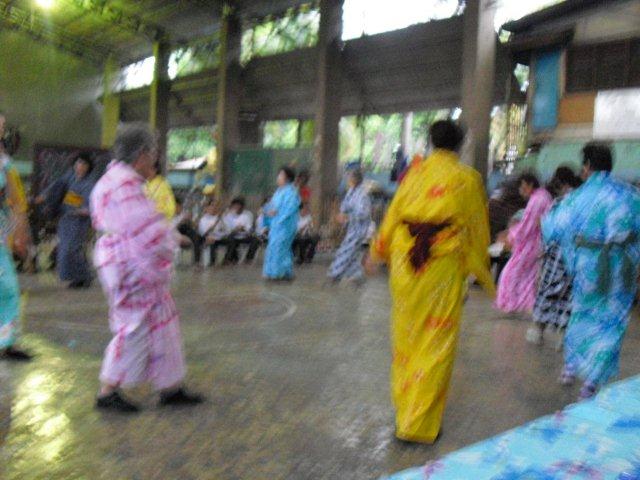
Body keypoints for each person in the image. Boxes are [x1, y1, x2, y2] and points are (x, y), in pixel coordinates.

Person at [366, 120, 494, 443]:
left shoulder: (414, 174)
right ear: (461, 144)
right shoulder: (467, 179)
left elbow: (393, 216)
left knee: (406, 339)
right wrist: (481, 269)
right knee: (436, 341)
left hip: (405, 263)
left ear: (431, 142)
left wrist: (377, 252)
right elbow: (478, 228)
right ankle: (418, 425)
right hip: (441, 266)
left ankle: (404, 413)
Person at [91, 123, 203, 412]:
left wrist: (166, 236)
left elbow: (142, 225)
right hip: (129, 265)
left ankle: (170, 386)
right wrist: (172, 239)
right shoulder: (124, 185)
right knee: (133, 326)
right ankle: (107, 392)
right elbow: (143, 228)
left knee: (163, 321)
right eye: (153, 153)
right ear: (141, 154)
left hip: (126, 260)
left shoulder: (114, 180)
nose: (155, 159)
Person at [542, 143, 640, 400]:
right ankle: (592, 381)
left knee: (582, 314)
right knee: (612, 323)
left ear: (586, 166)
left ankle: (571, 366)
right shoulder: (631, 195)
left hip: (589, 270)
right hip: (622, 270)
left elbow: (552, 228)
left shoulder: (576, 198)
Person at [527, 167, 582, 345]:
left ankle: (538, 330)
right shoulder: (584, 202)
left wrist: (542, 250)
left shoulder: (559, 203)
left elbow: (548, 229)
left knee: (547, 292)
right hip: (575, 256)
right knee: (567, 297)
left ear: (562, 184)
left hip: (556, 256)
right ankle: (562, 335)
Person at [495, 173, 552, 314]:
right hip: (536, 242)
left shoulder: (537, 200)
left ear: (529, 184)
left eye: (522, 186)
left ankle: (513, 304)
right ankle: (524, 304)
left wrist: (510, 236)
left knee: (510, 273)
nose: (521, 190)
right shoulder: (542, 196)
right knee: (528, 276)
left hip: (531, 244)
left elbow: (527, 225)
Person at [0, 113, 32, 361]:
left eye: (2, 127)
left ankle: (6, 341)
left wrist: (20, 231)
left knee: (8, 287)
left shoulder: (5, 162)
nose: (1, 131)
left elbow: (16, 200)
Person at [39, 153, 96, 289]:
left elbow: (89, 206)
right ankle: (77, 278)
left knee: (72, 249)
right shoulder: (68, 177)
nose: (80, 166)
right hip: (64, 220)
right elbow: (55, 189)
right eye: (78, 163)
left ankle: (85, 276)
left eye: (84, 164)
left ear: (88, 167)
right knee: (65, 250)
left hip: (79, 222)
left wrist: (74, 206)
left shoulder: (89, 184)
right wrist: (45, 199)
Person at [328, 169, 371, 284]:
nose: (347, 180)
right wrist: (341, 214)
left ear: (355, 179)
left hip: (360, 229)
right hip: (352, 227)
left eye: (349, 177)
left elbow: (364, 213)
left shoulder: (362, 194)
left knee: (347, 250)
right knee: (351, 252)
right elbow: (345, 206)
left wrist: (348, 216)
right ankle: (356, 274)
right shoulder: (351, 191)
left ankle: (335, 274)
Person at [263, 167, 300, 281]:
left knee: (280, 248)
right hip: (276, 225)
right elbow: (271, 206)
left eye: (281, 175)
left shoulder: (291, 192)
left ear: (287, 178)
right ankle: (279, 272)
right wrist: (267, 212)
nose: (278, 177)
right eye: (278, 175)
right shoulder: (278, 192)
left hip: (285, 225)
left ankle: (278, 273)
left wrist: (277, 214)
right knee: (274, 247)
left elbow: (290, 208)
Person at [221, 197, 259, 264]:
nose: (237, 207)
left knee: (255, 240)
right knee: (230, 240)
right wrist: (234, 230)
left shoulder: (247, 215)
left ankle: (248, 258)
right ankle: (228, 259)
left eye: (239, 205)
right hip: (233, 235)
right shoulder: (228, 215)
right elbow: (227, 229)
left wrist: (243, 229)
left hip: (244, 235)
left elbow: (249, 228)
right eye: (235, 205)